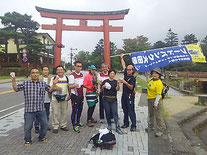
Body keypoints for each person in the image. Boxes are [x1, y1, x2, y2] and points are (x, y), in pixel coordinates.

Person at [11, 68, 58, 146]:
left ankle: (41, 137)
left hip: (40, 109)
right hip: (29, 110)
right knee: (28, 127)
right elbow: (16, 89)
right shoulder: (26, 83)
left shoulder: (42, 84)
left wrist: (53, 84)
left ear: (38, 74)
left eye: (36, 73)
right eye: (33, 73)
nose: (35, 74)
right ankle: (27, 139)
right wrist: (13, 80)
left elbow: (50, 90)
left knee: (45, 124)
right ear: (30, 74)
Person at [101, 68, 124, 134]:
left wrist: (118, 84)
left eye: (113, 74)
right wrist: (103, 86)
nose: (112, 75)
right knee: (107, 112)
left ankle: (117, 126)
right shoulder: (105, 81)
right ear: (109, 74)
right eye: (111, 73)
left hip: (113, 99)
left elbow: (117, 89)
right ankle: (109, 125)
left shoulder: (115, 81)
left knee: (115, 112)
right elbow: (101, 90)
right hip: (106, 99)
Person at [50, 65, 70, 133]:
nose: (60, 71)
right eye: (58, 70)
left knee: (64, 112)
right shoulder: (54, 78)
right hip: (55, 98)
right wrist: (56, 88)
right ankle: (55, 126)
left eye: (61, 70)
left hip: (64, 98)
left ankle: (63, 125)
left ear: (63, 71)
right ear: (56, 71)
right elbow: (50, 89)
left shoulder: (66, 78)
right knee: (55, 113)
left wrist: (69, 95)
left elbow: (68, 87)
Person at [120, 54, 137, 131]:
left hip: (130, 95)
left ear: (133, 70)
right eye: (127, 69)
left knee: (131, 110)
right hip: (124, 94)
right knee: (124, 109)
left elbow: (131, 87)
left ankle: (133, 125)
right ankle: (126, 123)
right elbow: (123, 65)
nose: (128, 71)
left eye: (130, 70)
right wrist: (122, 58)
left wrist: (125, 82)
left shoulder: (133, 78)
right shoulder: (126, 75)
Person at [146, 68, 165, 137]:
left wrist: (156, 103)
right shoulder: (151, 80)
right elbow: (148, 84)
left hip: (156, 99)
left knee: (157, 115)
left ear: (159, 75)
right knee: (151, 113)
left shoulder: (159, 83)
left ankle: (160, 130)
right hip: (149, 98)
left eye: (156, 73)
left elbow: (158, 94)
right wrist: (147, 75)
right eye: (153, 73)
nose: (154, 75)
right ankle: (151, 126)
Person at [34, 66, 51, 133]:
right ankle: (37, 126)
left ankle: (45, 125)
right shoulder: (38, 78)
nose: (46, 71)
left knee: (47, 113)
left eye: (47, 70)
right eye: (44, 70)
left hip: (47, 99)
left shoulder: (50, 78)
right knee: (38, 113)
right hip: (39, 99)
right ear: (42, 71)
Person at [69, 61, 84, 133]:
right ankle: (74, 125)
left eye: (80, 66)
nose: (79, 68)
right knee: (75, 110)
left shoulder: (81, 74)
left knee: (80, 109)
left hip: (81, 95)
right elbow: (69, 86)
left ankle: (78, 121)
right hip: (75, 95)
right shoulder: (72, 76)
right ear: (74, 66)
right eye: (78, 66)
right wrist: (74, 85)